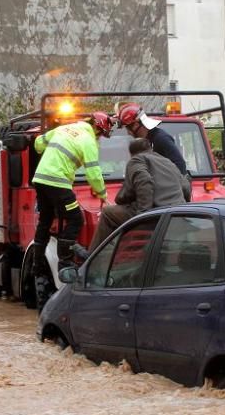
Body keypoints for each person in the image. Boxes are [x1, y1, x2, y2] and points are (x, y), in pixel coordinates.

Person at [31, 112, 113, 297]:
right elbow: (93, 174)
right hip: (58, 181)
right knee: (76, 217)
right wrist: (102, 195)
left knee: (45, 219)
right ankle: (65, 263)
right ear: (97, 128)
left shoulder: (64, 128)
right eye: (101, 134)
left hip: (40, 179)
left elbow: (37, 144)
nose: (99, 139)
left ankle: (37, 263)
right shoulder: (88, 141)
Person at [89, 138, 187, 251]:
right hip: (175, 215)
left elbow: (144, 181)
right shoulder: (167, 162)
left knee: (107, 213)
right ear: (150, 149)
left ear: (132, 153)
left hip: (155, 215)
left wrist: (143, 215)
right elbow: (185, 186)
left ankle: (91, 258)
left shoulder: (137, 160)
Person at [117, 103, 192, 201]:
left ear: (136, 124)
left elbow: (179, 164)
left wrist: (169, 187)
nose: (128, 132)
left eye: (129, 128)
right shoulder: (147, 140)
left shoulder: (161, 139)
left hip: (172, 195)